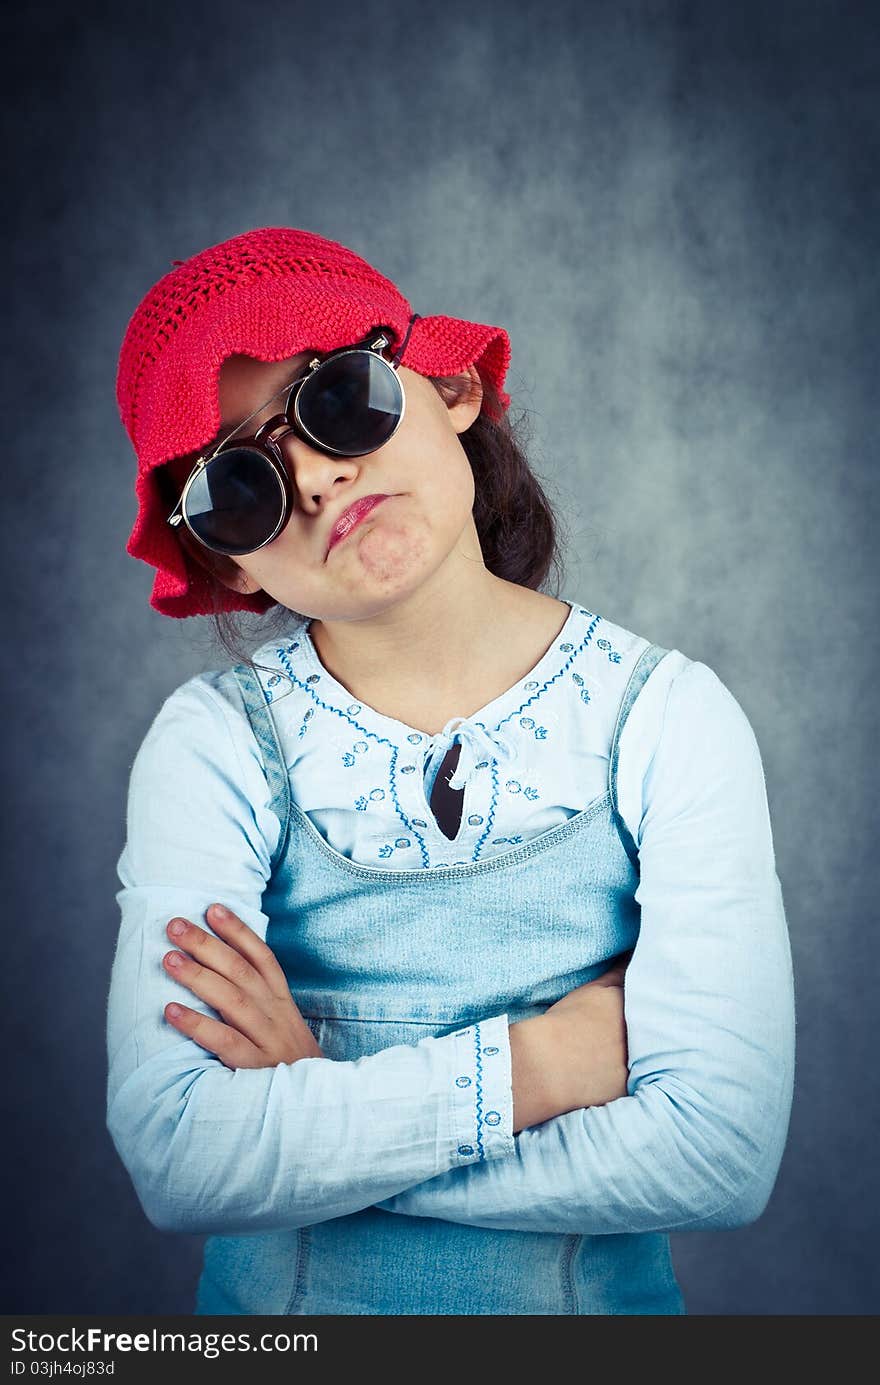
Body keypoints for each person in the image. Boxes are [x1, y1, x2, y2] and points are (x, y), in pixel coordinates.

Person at [106, 225, 796, 1316]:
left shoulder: (670, 718)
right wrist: (548, 1063)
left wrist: (320, 1116)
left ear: (451, 382)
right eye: (241, 484)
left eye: (339, 400)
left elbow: (716, 1154)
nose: (320, 478)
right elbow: (184, 1159)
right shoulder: (213, 747)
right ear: (222, 559)